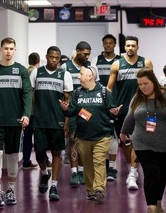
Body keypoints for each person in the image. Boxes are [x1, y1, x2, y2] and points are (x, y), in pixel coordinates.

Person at [120, 68, 166, 213]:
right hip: (143, 143)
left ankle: (158, 203)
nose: (143, 87)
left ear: (154, 82)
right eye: (140, 84)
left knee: (161, 175)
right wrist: (123, 133)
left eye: (146, 83)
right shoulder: (137, 98)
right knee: (151, 173)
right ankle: (151, 207)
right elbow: (130, 117)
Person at [59, 66, 122, 203]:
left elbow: (111, 110)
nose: (78, 77)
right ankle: (91, 190)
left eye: (81, 74)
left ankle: (99, 188)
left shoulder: (104, 92)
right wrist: (65, 109)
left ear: (90, 77)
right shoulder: (77, 93)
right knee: (87, 165)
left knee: (99, 161)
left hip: (102, 136)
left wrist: (114, 112)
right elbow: (72, 112)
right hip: (83, 137)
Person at [0, 37, 32, 207]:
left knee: (12, 157)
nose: (8, 51)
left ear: (15, 50)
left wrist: (26, 114)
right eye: (6, 48)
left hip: (15, 121)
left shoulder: (22, 71)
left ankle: (10, 190)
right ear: (1, 49)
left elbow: (27, 94)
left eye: (11, 48)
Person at [107, 36, 153, 190]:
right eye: (128, 45)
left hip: (142, 109)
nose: (130, 48)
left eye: (133, 45)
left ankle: (132, 172)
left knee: (140, 141)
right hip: (123, 110)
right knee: (125, 141)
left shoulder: (145, 63)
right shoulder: (116, 64)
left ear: (138, 47)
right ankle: (132, 169)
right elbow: (109, 88)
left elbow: (153, 86)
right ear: (124, 47)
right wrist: (109, 106)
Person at [30, 46, 73, 201]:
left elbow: (67, 99)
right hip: (40, 120)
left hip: (57, 120)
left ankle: (54, 185)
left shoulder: (65, 74)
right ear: (46, 57)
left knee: (56, 153)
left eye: (57, 57)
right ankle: (44, 173)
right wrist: (29, 114)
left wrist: (66, 123)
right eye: (52, 57)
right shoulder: (37, 72)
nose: (54, 60)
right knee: (40, 154)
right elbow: (30, 95)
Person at [61, 41, 99, 187]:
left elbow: (97, 88)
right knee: (72, 141)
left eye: (89, 53)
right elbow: (64, 92)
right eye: (84, 53)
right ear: (77, 51)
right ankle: (74, 172)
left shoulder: (91, 67)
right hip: (72, 110)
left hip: (87, 110)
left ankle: (82, 171)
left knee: (84, 142)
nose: (87, 56)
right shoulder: (66, 67)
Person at [91, 34, 121, 181]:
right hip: (99, 103)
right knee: (102, 135)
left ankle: (112, 167)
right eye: (105, 43)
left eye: (111, 43)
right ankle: (102, 165)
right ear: (103, 44)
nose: (108, 45)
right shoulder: (96, 60)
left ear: (115, 44)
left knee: (114, 134)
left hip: (115, 101)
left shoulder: (121, 61)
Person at [22, 52, 40, 169]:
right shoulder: (35, 73)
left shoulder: (24, 72)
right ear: (38, 62)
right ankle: (44, 160)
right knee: (38, 137)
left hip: (25, 111)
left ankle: (26, 161)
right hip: (33, 111)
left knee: (27, 136)